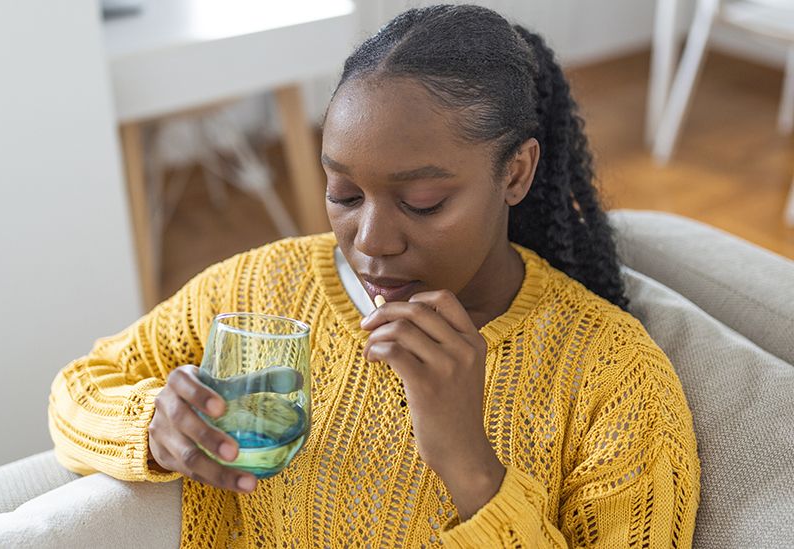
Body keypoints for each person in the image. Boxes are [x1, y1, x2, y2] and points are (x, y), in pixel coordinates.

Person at [48, 4, 700, 547]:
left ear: (516, 173)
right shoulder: (261, 291)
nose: (371, 241)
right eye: (344, 194)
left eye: (422, 203)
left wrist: (474, 470)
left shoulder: (612, 378)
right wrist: (155, 427)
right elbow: (77, 390)